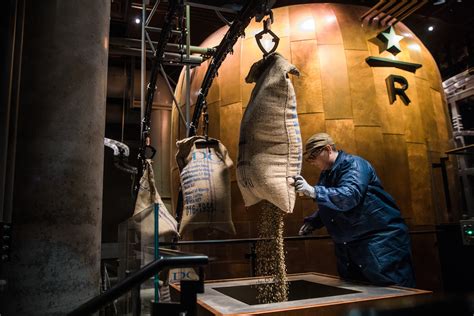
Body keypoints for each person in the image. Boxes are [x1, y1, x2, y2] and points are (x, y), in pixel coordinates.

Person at [294, 133, 416, 288]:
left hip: (380, 243)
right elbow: (333, 206)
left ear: (327, 149)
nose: (311, 162)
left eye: (313, 156)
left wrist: (313, 191)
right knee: (360, 296)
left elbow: (349, 196)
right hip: (351, 247)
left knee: (395, 293)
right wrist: (314, 222)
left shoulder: (354, 165)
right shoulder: (327, 174)